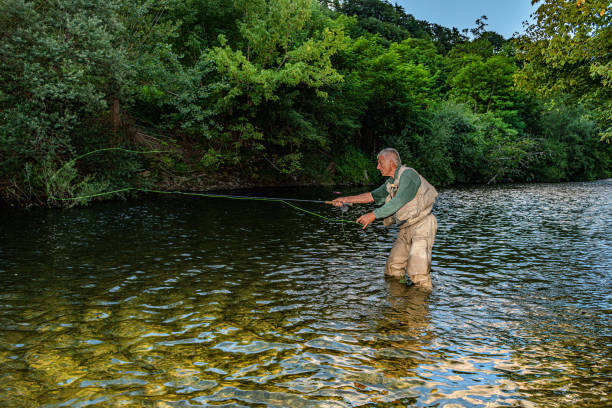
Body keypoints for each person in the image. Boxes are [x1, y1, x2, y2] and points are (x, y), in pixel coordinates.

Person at [331, 148, 438, 291]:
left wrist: (373, 215)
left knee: (417, 272)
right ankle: (398, 303)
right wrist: (345, 199)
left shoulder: (408, 175)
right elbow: (371, 196)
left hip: (422, 226)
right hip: (405, 227)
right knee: (392, 269)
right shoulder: (391, 182)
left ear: (392, 163)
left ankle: (418, 308)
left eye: (380, 163)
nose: (378, 167)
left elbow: (398, 201)